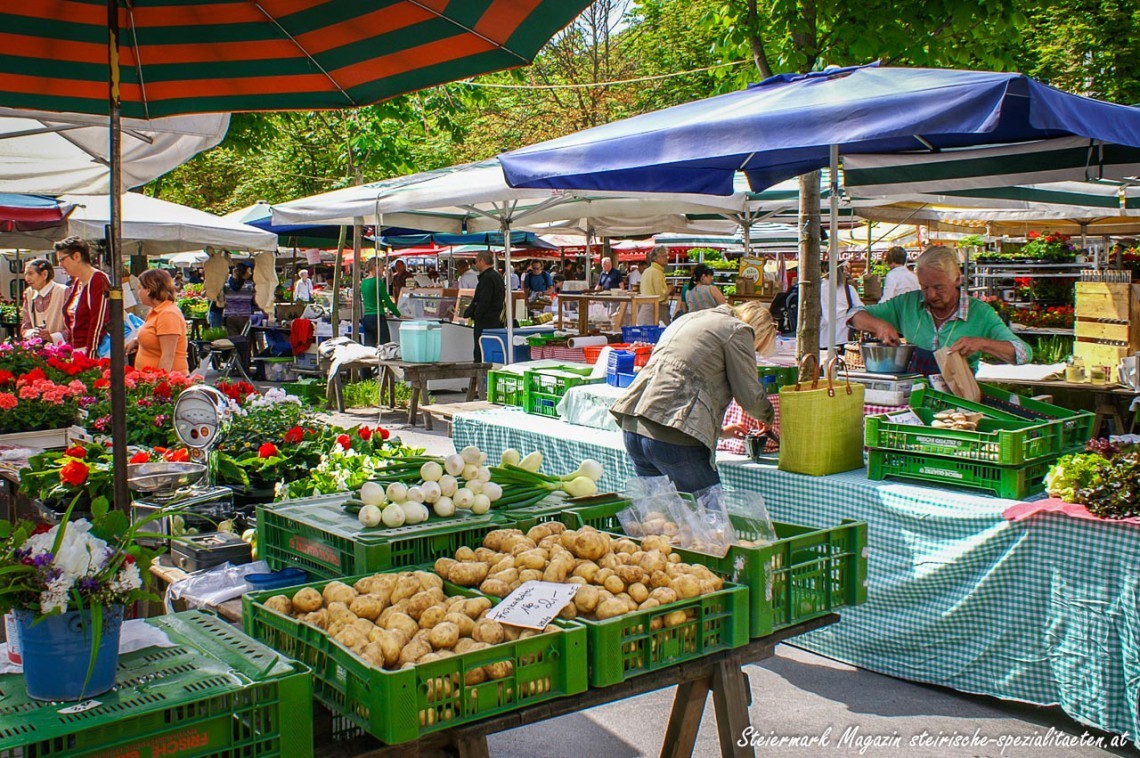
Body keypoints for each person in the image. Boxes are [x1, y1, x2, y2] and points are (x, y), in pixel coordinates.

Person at [611, 301, 776, 492]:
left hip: (635, 426)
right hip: (673, 437)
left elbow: (674, 383)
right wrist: (768, 418)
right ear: (757, 331)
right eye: (756, 349)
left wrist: (719, 431)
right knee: (708, 517)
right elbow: (749, 396)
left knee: (659, 518)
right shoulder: (738, 330)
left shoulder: (690, 318)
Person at [848, 245, 1033, 373]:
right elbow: (853, 315)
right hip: (914, 395)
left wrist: (982, 343)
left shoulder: (980, 313)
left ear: (957, 279)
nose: (931, 295)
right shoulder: (907, 304)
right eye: (924, 287)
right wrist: (879, 326)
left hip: (958, 401)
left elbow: (1023, 353)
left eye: (938, 287)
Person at [56, 236, 110, 356]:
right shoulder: (78, 282)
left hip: (93, 354)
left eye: (62, 260)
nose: (61, 265)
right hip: (77, 352)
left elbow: (99, 323)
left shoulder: (98, 280)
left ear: (76, 256)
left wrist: (90, 356)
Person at [129, 269, 189, 374]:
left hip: (168, 382)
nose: (138, 293)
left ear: (148, 290)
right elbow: (153, 336)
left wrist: (159, 384)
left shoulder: (168, 314)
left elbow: (168, 356)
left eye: (140, 288)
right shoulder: (155, 311)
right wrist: (136, 341)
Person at [463, 251, 505, 362]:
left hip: (485, 321)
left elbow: (483, 300)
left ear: (482, 260)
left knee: (480, 351)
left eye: (476, 261)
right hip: (495, 319)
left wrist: (476, 314)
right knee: (489, 350)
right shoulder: (497, 276)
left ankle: (480, 377)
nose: (475, 264)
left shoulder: (487, 278)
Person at [19, 258, 68, 342]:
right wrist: (32, 333)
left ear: (44, 274)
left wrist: (53, 337)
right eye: (26, 274)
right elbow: (25, 325)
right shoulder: (28, 293)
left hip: (62, 349)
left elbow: (74, 326)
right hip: (38, 350)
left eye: (30, 273)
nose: (27, 278)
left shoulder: (64, 292)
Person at [819, 263, 863, 349]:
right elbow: (860, 308)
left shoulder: (819, 288)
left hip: (822, 335)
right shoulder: (848, 289)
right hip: (842, 335)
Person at [360, 257, 402, 346]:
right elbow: (387, 300)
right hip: (377, 318)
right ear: (375, 266)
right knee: (385, 346)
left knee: (369, 347)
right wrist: (399, 315)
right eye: (382, 267)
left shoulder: (363, 282)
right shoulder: (377, 281)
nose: (383, 270)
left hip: (367, 317)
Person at [223, 262, 256, 369]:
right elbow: (254, 300)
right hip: (244, 317)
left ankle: (234, 367)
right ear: (245, 272)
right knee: (245, 344)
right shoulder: (250, 285)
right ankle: (244, 367)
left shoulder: (226, 285)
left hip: (229, 317)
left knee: (233, 343)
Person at [637, 246, 673, 325]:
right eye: (664, 256)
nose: (667, 258)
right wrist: (669, 289)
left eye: (667, 255)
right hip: (657, 308)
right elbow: (660, 296)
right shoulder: (657, 272)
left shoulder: (647, 271)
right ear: (655, 258)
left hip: (645, 307)